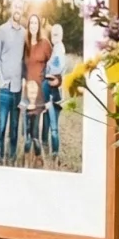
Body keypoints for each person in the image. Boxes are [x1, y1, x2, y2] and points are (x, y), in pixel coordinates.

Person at [0, 0, 28, 164]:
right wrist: (0, 80)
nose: (17, 9)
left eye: (20, 7)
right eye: (15, 6)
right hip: (5, 89)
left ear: (23, 10)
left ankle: (11, 160)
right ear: (11, 8)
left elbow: (26, 60)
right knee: (1, 126)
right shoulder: (2, 30)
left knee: (14, 128)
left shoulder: (25, 33)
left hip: (17, 90)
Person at [22, 13, 52, 165]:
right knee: (26, 131)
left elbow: (54, 64)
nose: (33, 25)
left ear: (39, 26)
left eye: (36, 23)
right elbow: (21, 67)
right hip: (27, 93)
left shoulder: (45, 43)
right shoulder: (25, 44)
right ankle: (26, 160)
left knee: (35, 132)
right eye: (31, 23)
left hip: (40, 93)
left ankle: (39, 159)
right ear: (28, 26)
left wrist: (53, 83)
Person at [44, 22, 68, 162]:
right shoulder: (56, 48)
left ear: (61, 35)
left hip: (55, 93)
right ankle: (48, 151)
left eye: (57, 34)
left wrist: (47, 71)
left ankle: (54, 154)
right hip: (52, 92)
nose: (54, 37)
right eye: (53, 34)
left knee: (53, 126)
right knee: (48, 123)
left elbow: (55, 69)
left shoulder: (59, 49)